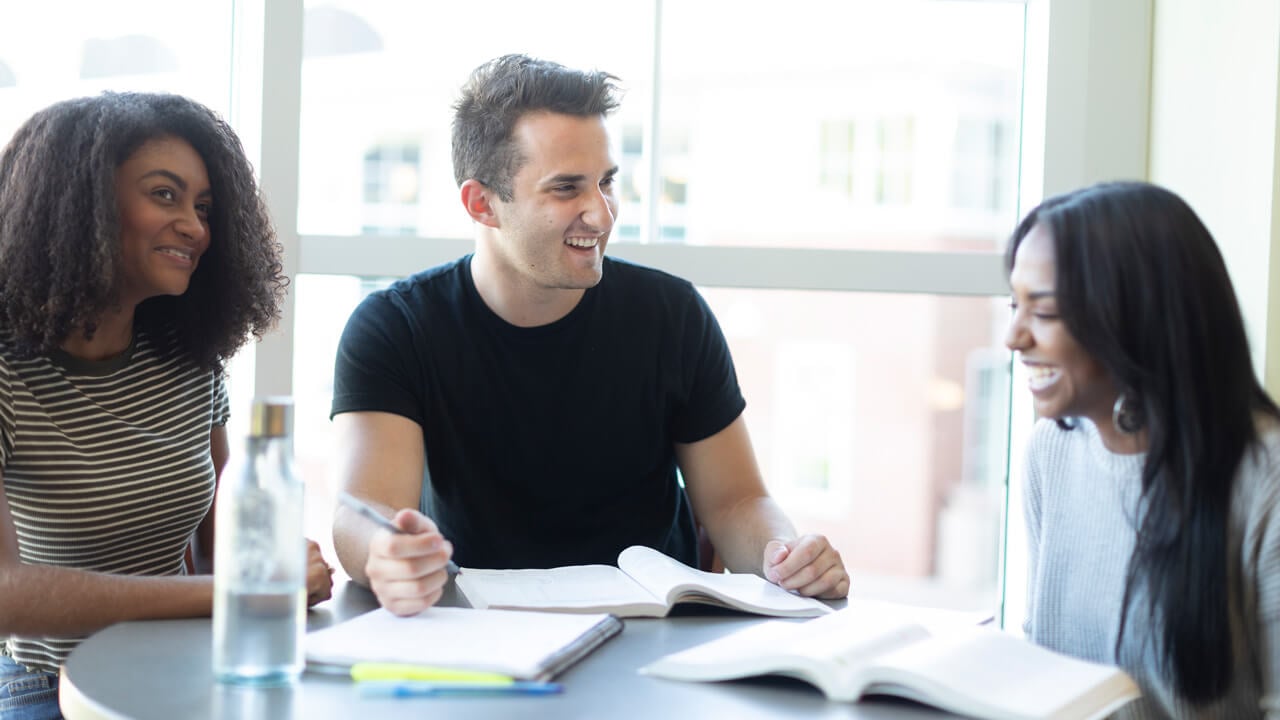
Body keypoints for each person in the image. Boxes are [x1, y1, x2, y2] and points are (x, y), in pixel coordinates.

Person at [331, 54, 849, 616]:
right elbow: (364, 509)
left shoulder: (672, 314)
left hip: (654, 637)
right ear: (482, 204)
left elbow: (735, 502)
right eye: (565, 189)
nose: (600, 215)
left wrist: (785, 555)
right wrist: (386, 553)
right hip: (481, 637)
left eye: (605, 183)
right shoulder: (395, 326)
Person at [0, 92, 334, 719]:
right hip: (48, 687)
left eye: (204, 206)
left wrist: (277, 564)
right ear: (82, 206)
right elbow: (4, 596)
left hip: (185, 661)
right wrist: (237, 592)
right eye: (164, 195)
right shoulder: (7, 373)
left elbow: (220, 544)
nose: (197, 227)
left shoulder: (189, 358)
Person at [1005, 181, 1280, 718]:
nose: (1014, 337)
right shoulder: (1051, 455)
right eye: (1014, 304)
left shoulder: (1264, 476)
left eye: (1044, 312)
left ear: (1136, 315)